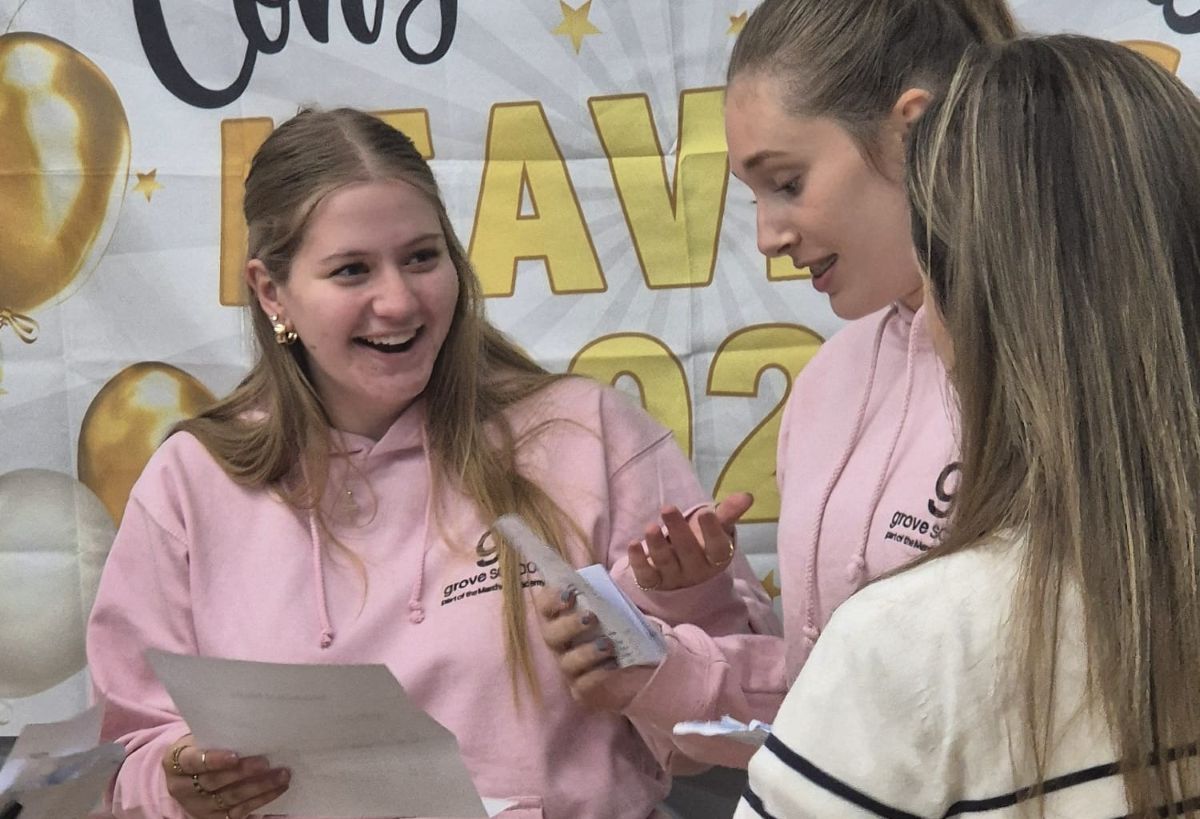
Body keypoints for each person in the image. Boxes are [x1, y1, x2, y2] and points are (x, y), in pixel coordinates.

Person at [84, 107, 773, 819]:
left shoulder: (584, 433)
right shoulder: (193, 481)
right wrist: (178, 782)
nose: (400, 300)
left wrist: (681, 608)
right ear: (271, 291)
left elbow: (740, 736)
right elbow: (124, 762)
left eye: (421, 257)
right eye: (353, 269)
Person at [536, 0, 1018, 768]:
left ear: (914, 132)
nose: (768, 236)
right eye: (755, 195)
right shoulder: (831, 381)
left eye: (787, 182)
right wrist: (662, 652)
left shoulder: (1063, 374)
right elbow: (824, 700)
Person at [738, 34, 1200, 817]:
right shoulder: (832, 398)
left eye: (788, 181)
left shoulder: (911, 649)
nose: (768, 235)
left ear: (968, 294)